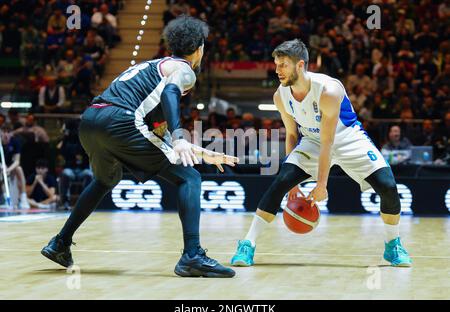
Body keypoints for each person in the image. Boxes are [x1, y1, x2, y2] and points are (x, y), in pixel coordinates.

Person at [41, 16, 238, 278]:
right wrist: (180, 138)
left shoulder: (152, 66)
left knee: (105, 178)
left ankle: (60, 243)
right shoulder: (185, 69)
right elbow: (170, 95)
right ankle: (192, 255)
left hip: (91, 120)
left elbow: (157, 131)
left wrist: (199, 152)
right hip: (121, 120)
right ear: (200, 48)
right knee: (189, 177)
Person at [231, 39, 411, 268]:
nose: (277, 70)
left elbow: (330, 142)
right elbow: (292, 135)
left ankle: (392, 244)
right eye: (276, 64)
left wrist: (322, 185)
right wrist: (293, 185)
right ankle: (248, 244)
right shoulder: (280, 95)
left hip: (347, 138)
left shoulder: (328, 91)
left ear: (300, 65)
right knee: (281, 182)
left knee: (387, 186)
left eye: (283, 65)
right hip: (311, 140)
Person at [0, 127, 29, 209]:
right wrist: (2, 166)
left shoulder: (15, 142)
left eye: (8, 132)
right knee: (1, 172)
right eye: (4, 132)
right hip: (2, 166)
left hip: (11, 166)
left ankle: (23, 198)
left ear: (11, 134)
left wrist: (8, 169)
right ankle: (6, 199)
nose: (6, 134)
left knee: (19, 169)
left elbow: (17, 161)